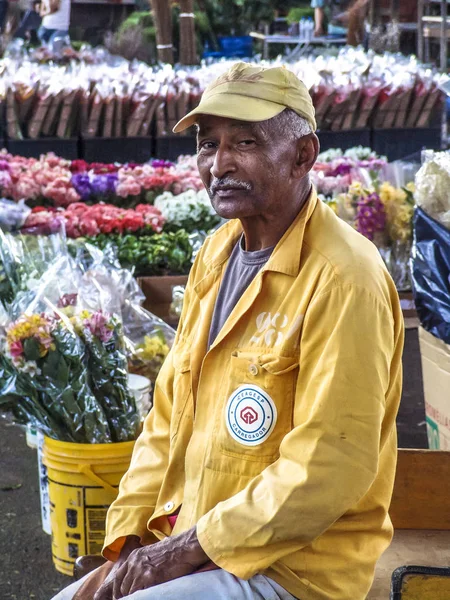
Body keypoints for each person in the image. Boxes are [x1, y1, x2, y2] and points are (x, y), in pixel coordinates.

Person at [52, 62, 404, 600]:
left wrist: (182, 551)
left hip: (293, 568)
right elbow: (167, 418)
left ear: (303, 156)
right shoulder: (216, 255)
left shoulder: (344, 277)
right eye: (207, 144)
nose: (220, 164)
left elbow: (327, 468)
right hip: (197, 541)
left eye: (245, 142)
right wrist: (127, 546)